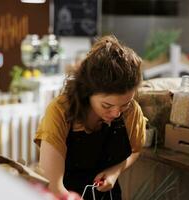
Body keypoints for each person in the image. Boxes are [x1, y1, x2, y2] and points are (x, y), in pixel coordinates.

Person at [34, 35, 147, 199]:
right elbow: (54, 188)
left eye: (124, 104)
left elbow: (135, 150)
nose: (116, 113)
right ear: (87, 92)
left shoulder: (131, 111)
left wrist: (115, 171)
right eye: (106, 106)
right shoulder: (60, 111)